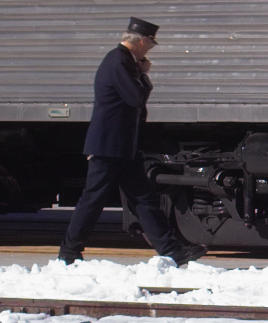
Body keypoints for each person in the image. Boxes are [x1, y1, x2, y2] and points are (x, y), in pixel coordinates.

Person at [56, 18, 204, 264]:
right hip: (108, 147)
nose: (149, 51)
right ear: (142, 41)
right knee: (93, 200)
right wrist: (144, 76)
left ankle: (173, 252)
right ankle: (69, 251)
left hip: (123, 146)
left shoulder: (123, 61)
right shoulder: (119, 61)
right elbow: (135, 98)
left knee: (144, 199)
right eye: (150, 45)